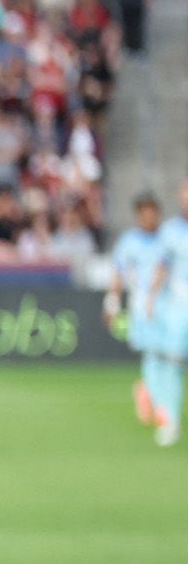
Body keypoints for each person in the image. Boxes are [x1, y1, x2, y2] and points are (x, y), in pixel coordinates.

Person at [106, 191, 169, 429]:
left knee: (169, 354)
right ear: (137, 216)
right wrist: (112, 304)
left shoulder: (167, 238)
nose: (149, 218)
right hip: (141, 306)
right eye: (144, 213)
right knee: (153, 352)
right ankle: (159, 404)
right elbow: (117, 276)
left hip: (169, 304)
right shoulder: (128, 242)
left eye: (153, 213)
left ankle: (147, 390)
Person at [146, 180, 188, 447]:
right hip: (179, 306)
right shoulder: (171, 231)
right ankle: (170, 421)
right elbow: (162, 266)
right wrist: (152, 297)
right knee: (173, 362)